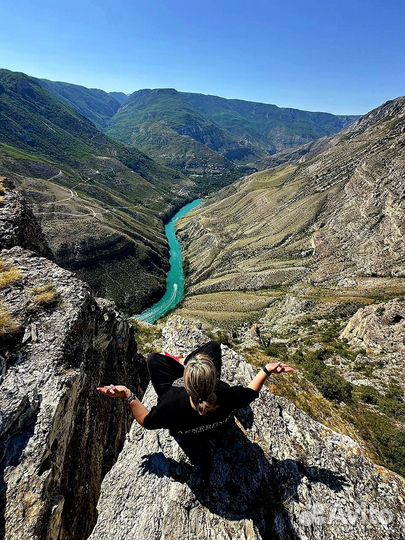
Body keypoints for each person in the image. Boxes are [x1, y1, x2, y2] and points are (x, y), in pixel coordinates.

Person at [97, 341, 294, 436]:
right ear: (214, 378)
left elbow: (146, 421)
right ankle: (188, 361)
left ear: (184, 382)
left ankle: (185, 362)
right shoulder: (226, 395)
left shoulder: (171, 403)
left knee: (153, 359)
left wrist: (128, 395)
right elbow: (251, 392)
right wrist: (266, 370)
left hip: (181, 414)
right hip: (210, 408)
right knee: (213, 347)